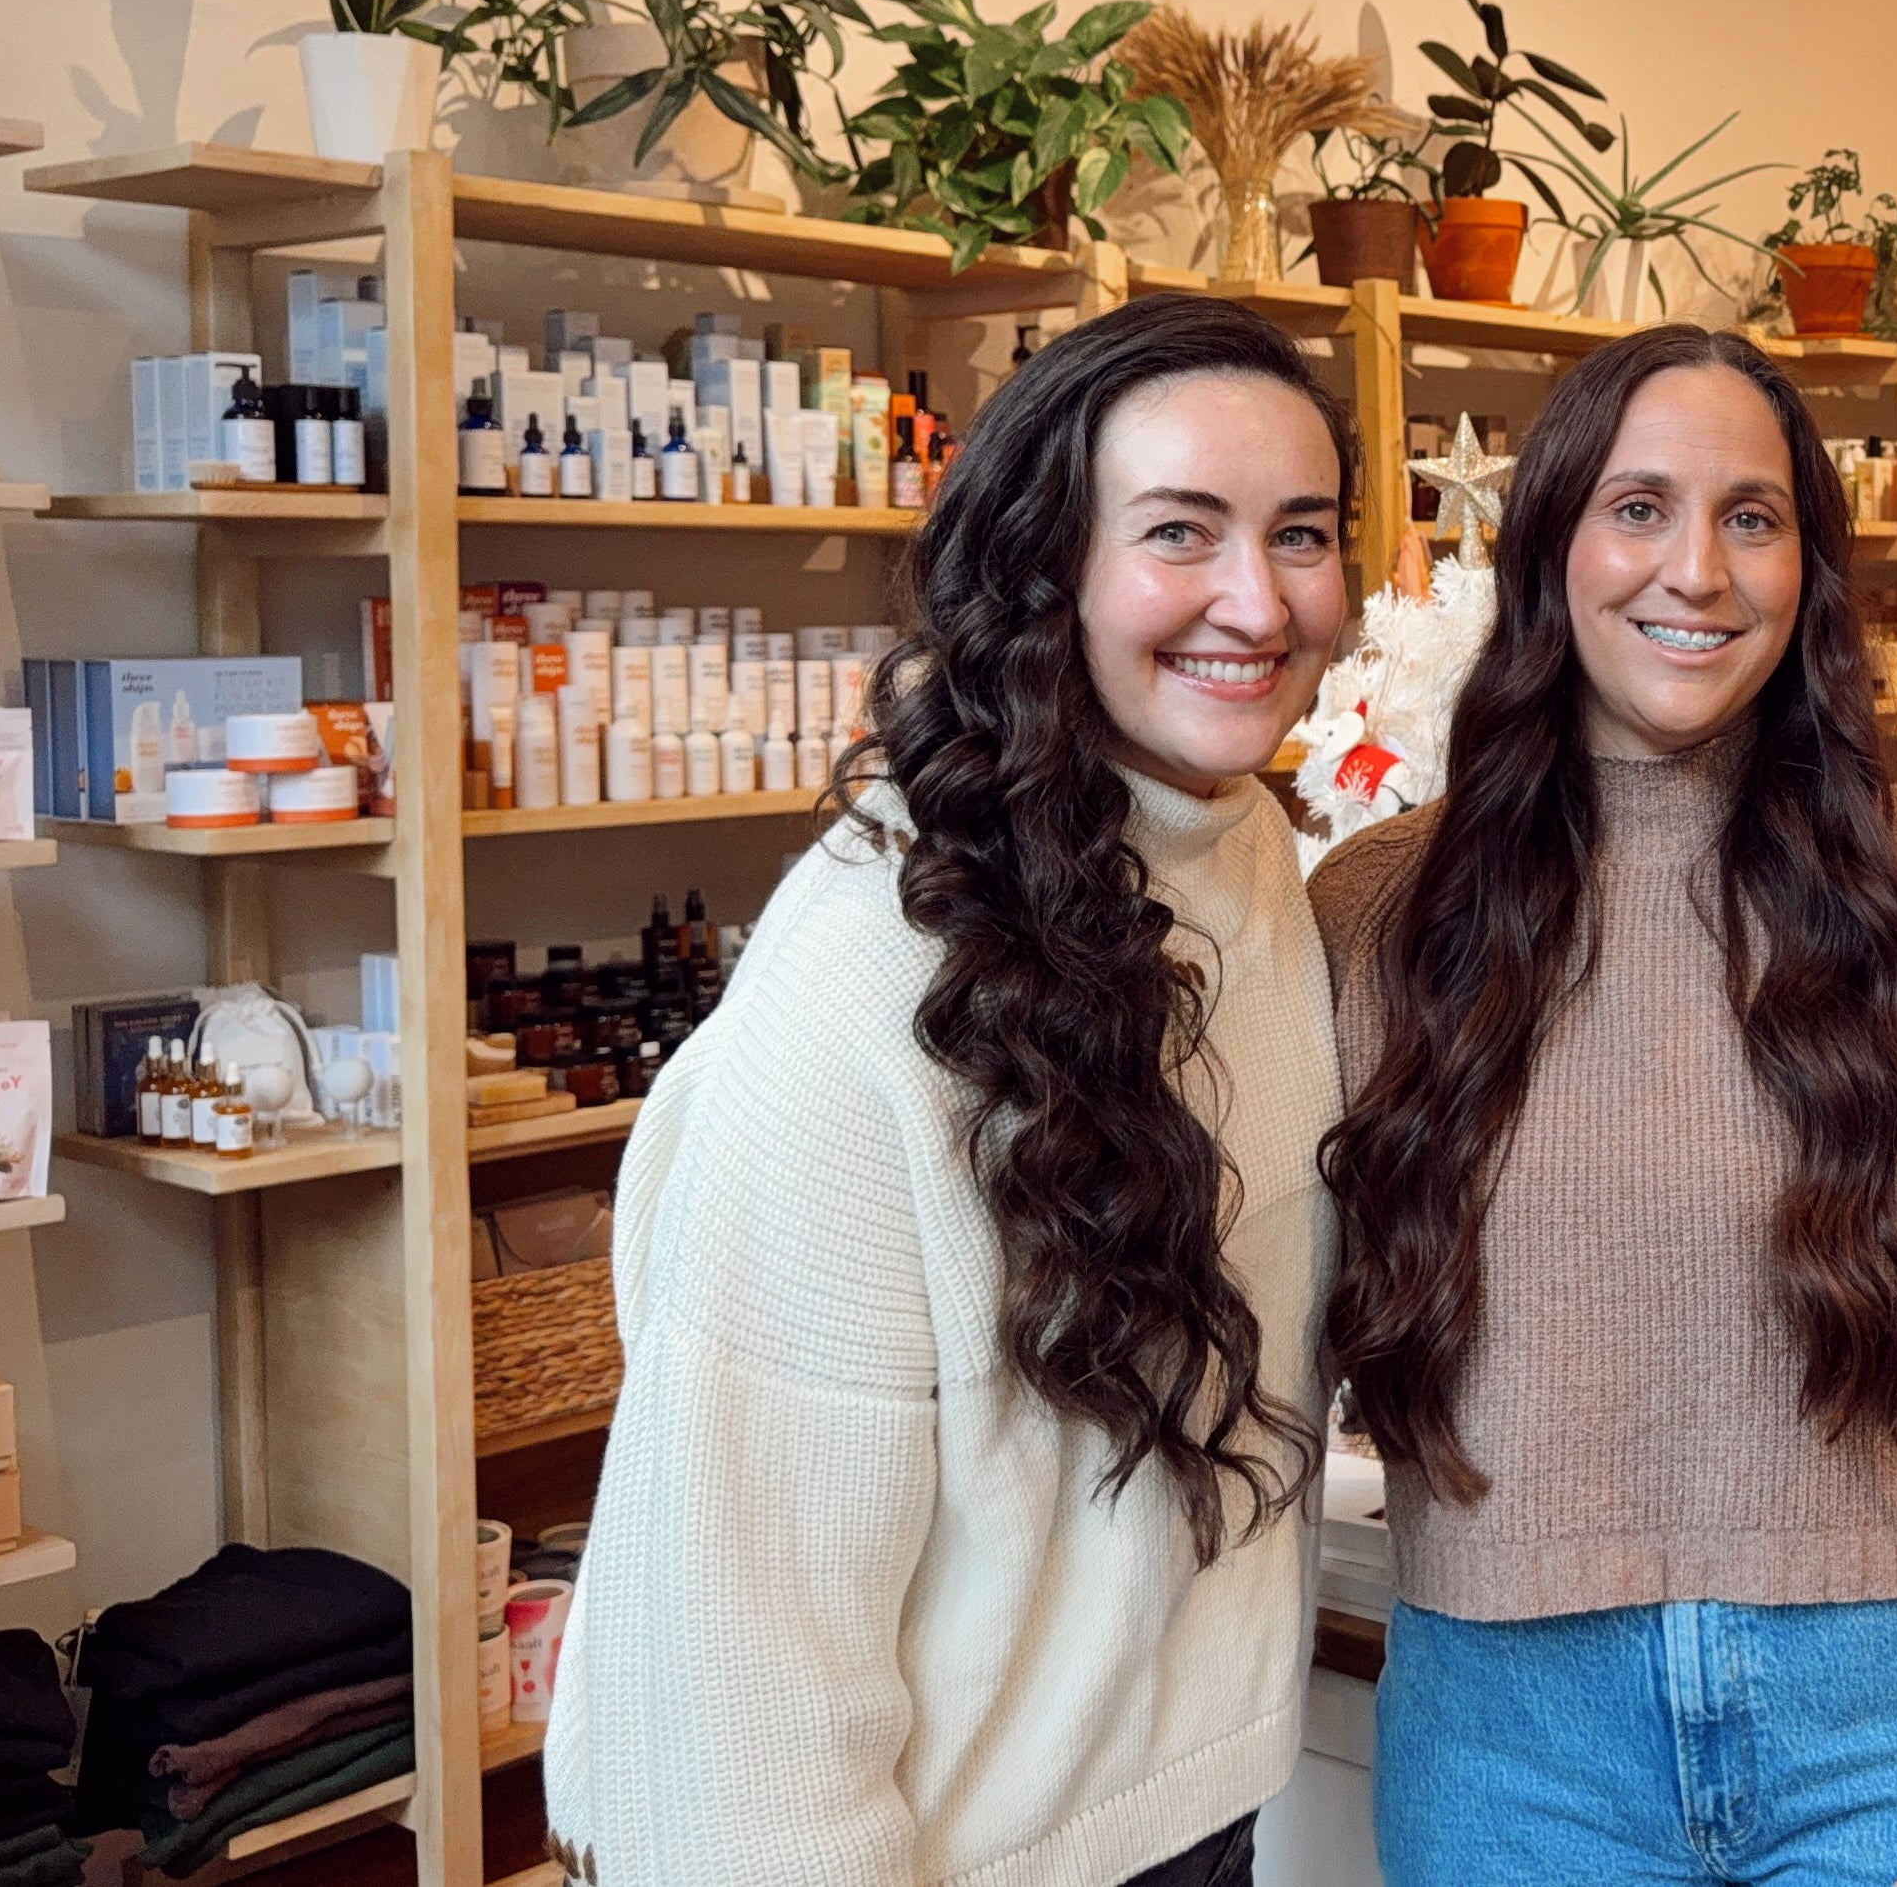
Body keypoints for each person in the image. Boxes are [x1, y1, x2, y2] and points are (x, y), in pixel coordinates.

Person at [1313, 326, 1897, 1887]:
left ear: (1810, 569)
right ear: (1552, 546)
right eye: (1639, 507)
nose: (1698, 572)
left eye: (1752, 517)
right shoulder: (1382, 914)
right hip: (1512, 1742)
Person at [545, 297, 1355, 1887]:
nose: (1257, 601)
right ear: (1047, 564)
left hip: (1182, 1810)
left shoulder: (1244, 849)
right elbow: (741, 1627)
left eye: (1302, 534)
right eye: (1181, 532)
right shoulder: (863, 987)